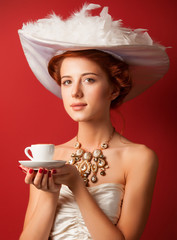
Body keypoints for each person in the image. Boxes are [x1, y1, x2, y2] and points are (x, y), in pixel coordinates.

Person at [18, 3, 169, 240]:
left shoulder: (139, 158)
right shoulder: (50, 158)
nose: (75, 92)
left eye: (88, 80)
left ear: (113, 90)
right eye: (67, 82)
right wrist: (49, 193)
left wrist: (77, 187)